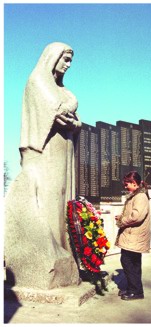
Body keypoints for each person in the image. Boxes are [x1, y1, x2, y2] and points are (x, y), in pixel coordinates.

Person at [4, 42, 82, 288]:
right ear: (53, 57)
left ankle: (64, 248)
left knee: (61, 197)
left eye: (70, 60)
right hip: (46, 151)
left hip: (63, 148)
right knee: (48, 198)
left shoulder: (61, 88)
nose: (68, 65)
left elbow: (72, 119)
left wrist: (74, 121)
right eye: (65, 59)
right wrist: (71, 117)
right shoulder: (38, 80)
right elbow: (59, 113)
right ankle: (50, 251)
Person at [115, 171, 151, 301]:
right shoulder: (137, 196)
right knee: (133, 263)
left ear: (134, 183)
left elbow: (137, 216)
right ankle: (134, 289)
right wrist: (122, 217)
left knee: (128, 261)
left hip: (134, 236)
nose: (125, 186)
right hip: (133, 236)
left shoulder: (140, 197)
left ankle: (135, 291)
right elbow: (134, 214)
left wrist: (121, 220)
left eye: (127, 184)